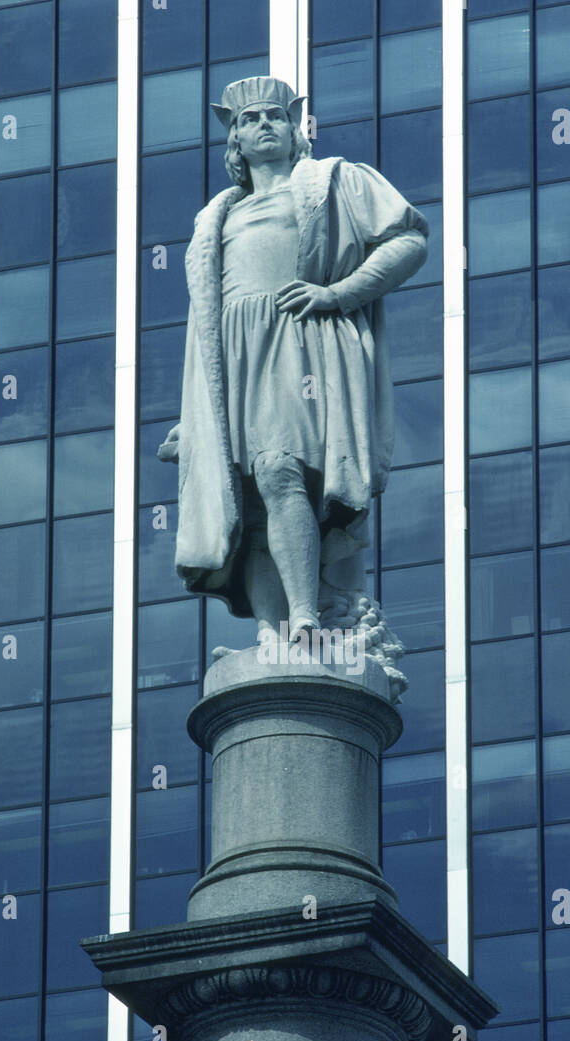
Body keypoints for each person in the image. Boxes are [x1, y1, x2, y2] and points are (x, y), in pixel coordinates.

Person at [159, 76, 428, 690]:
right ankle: (273, 636)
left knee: (283, 472)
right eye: (248, 119)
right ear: (234, 137)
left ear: (294, 127)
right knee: (245, 500)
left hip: (299, 344)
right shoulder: (217, 217)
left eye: (275, 116)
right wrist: (197, 411)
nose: (263, 126)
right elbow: (207, 321)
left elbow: (409, 240)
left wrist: (338, 293)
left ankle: (307, 617)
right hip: (234, 359)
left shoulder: (334, 180)